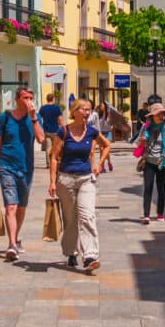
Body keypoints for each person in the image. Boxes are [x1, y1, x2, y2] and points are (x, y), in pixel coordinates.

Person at [49, 98, 111, 272]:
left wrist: (99, 165)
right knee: (70, 220)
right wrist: (53, 181)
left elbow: (107, 145)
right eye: (83, 109)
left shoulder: (92, 132)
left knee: (87, 216)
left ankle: (91, 255)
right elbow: (54, 157)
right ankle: (71, 252)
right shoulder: (64, 131)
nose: (87, 113)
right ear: (74, 111)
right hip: (66, 179)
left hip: (86, 179)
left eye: (89, 110)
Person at [0, 87, 45, 262]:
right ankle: (11, 244)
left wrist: (33, 118)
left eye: (31, 98)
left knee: (21, 207)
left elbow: (41, 139)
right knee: (11, 206)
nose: (29, 101)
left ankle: (15, 238)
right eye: (26, 97)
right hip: (6, 166)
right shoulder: (6, 117)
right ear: (17, 99)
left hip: (26, 168)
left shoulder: (35, 118)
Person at [138, 103, 165, 224]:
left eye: (163, 113)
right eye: (159, 114)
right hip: (149, 161)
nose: (162, 115)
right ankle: (146, 215)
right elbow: (137, 144)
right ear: (153, 116)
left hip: (162, 162)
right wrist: (141, 142)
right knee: (148, 188)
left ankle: (160, 213)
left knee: (161, 189)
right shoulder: (146, 127)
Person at [38, 94, 64, 167]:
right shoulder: (56, 108)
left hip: (46, 130)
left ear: (47, 99)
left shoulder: (43, 108)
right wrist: (62, 127)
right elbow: (60, 119)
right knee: (56, 147)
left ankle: (48, 164)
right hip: (55, 130)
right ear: (53, 99)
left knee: (48, 147)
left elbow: (39, 118)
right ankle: (55, 161)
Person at [94, 101, 114, 172]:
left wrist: (111, 125)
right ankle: (102, 167)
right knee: (101, 150)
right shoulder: (98, 114)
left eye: (102, 106)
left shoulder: (109, 114)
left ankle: (109, 162)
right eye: (100, 106)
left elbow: (112, 122)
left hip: (108, 132)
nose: (101, 107)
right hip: (101, 132)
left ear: (105, 106)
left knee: (106, 150)